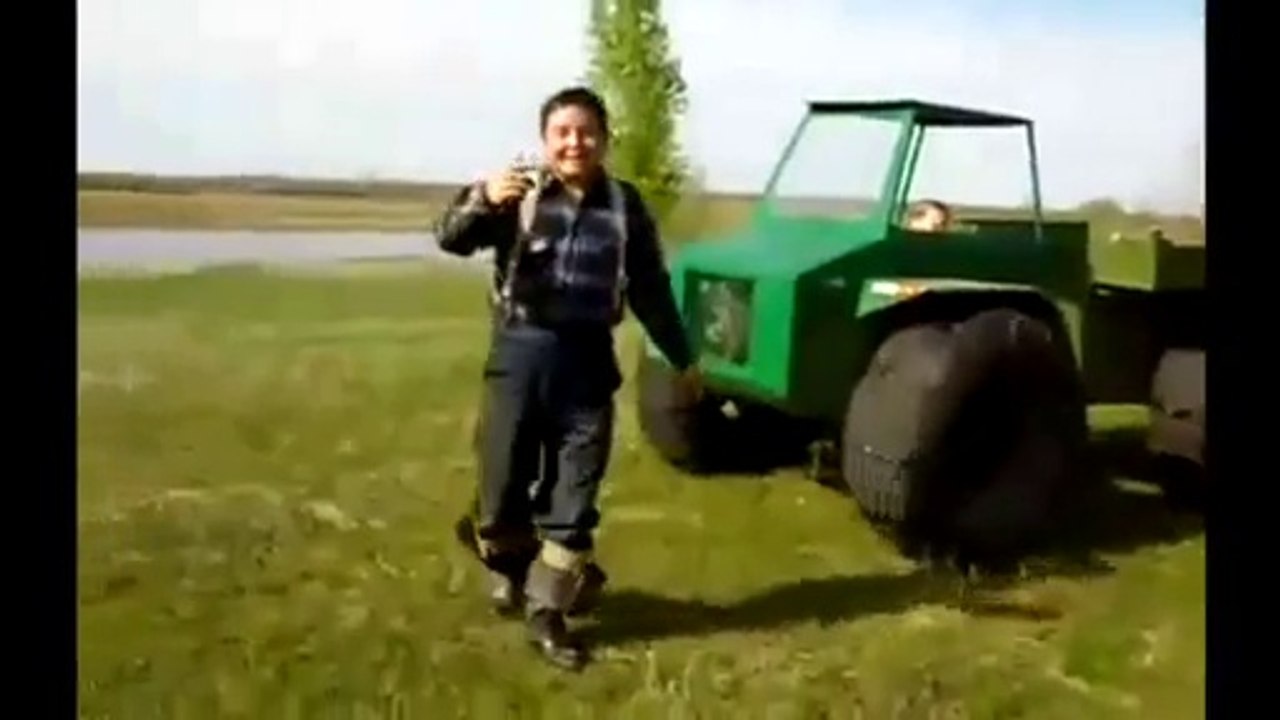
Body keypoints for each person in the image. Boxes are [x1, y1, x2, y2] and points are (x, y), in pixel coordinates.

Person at [432, 86, 703, 670]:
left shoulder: (626, 207)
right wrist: (481, 198)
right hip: (518, 357)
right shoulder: (517, 197)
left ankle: (546, 615)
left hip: (587, 367)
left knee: (573, 499)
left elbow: (652, 291)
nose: (575, 142)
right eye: (563, 132)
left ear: (604, 139)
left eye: (586, 132)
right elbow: (450, 238)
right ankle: (512, 565)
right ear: (546, 141)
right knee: (501, 496)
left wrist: (683, 357)